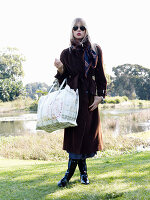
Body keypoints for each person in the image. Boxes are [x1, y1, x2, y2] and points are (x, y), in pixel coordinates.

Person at [54, 17, 107, 187]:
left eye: (82, 27)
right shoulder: (66, 53)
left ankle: (73, 175)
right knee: (75, 137)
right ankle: (76, 174)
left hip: (90, 98)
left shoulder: (95, 49)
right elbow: (62, 80)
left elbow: (100, 74)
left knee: (85, 137)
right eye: (75, 27)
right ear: (71, 30)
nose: (79, 30)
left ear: (86, 30)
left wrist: (101, 96)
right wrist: (61, 69)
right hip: (73, 99)